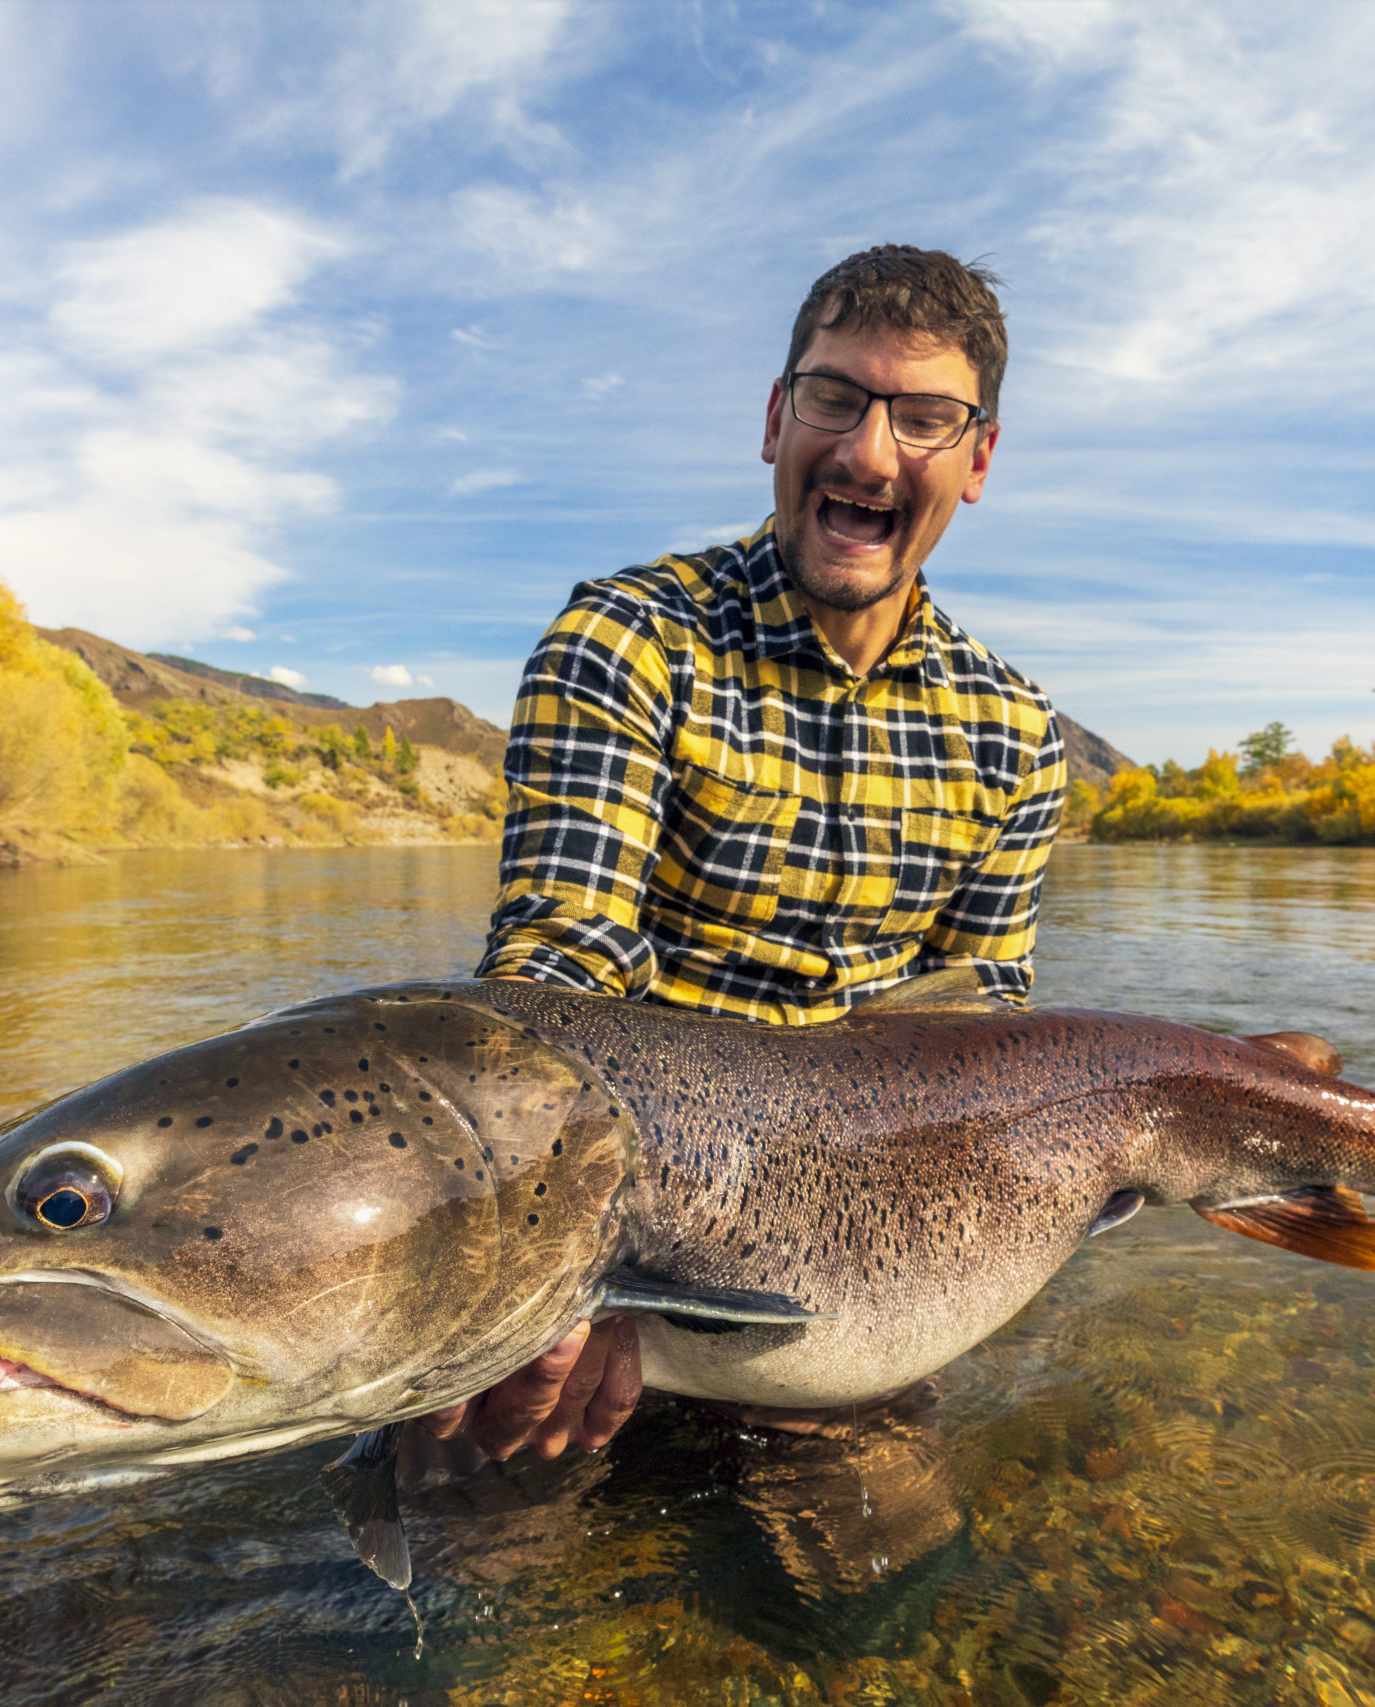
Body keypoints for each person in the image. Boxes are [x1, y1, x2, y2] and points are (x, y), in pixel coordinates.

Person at [416, 244, 1067, 1464]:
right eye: (835, 398)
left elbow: (987, 1049)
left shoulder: (1018, 738)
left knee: (885, 1613)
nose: (871, 453)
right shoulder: (626, 641)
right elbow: (559, 963)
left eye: (925, 419)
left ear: (977, 462)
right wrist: (546, 1262)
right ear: (776, 419)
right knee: (464, 1596)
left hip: (851, 1290)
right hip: (613, 1243)